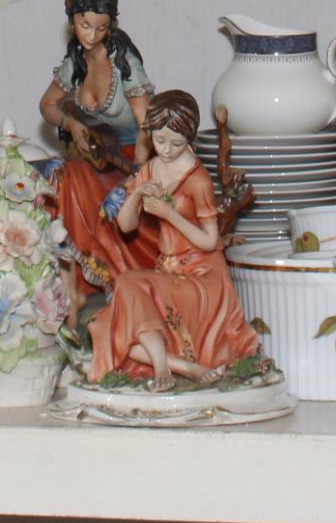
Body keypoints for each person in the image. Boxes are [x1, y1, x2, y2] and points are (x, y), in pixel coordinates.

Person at [88, 89, 261, 390]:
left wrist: (169, 214)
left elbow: (210, 241)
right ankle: (183, 367)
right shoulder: (152, 168)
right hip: (167, 273)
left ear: (189, 139)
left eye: (177, 143)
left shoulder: (197, 180)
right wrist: (138, 193)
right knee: (104, 326)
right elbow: (126, 227)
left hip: (201, 278)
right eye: (160, 140)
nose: (166, 150)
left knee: (128, 286)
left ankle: (161, 367)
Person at [37, 0, 158, 294]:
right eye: (84, 25)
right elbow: (47, 105)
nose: (91, 35)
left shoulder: (124, 63)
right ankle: (74, 284)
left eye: (101, 28)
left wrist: (138, 175)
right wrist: (73, 124)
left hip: (136, 157)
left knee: (110, 201)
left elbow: (147, 123)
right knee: (60, 179)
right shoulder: (74, 63)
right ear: (72, 20)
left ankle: (121, 279)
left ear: (111, 25)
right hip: (100, 157)